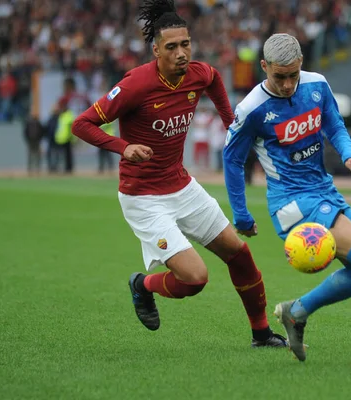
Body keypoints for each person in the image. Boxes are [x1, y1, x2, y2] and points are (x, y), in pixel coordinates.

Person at [71, 0, 286, 348]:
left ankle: (261, 334)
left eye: (185, 44)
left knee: (240, 254)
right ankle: (142, 285)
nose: (181, 53)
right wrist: (122, 147)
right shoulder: (134, 85)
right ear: (156, 50)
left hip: (183, 187)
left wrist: (230, 125)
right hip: (143, 199)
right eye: (171, 47)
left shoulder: (198, 73)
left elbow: (214, 79)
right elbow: (82, 124)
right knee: (195, 278)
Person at [223, 33, 351, 370]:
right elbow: (232, 160)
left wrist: (350, 155)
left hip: (324, 190)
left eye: (293, 76)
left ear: (302, 66)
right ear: (264, 66)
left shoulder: (317, 86)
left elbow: (334, 125)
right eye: (279, 76)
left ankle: (296, 313)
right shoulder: (251, 108)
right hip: (292, 203)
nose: (286, 85)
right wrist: (240, 214)